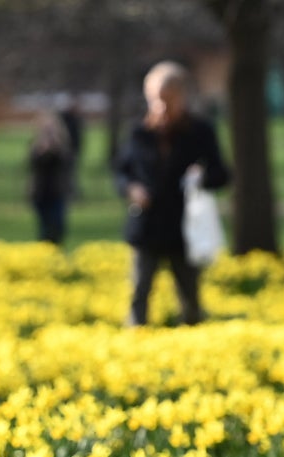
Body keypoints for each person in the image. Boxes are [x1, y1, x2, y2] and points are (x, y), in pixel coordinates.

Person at [114, 61, 231, 326]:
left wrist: (200, 177)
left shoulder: (200, 132)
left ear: (182, 97)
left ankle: (192, 345)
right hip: (147, 225)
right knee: (139, 292)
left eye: (169, 100)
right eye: (157, 100)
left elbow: (222, 174)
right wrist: (132, 189)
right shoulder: (139, 133)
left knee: (190, 298)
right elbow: (122, 173)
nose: (162, 108)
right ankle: (135, 341)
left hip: (184, 228)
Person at [26, 112, 73, 245]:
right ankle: (44, 254)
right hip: (41, 192)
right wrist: (42, 150)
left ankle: (56, 251)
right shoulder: (36, 146)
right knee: (44, 227)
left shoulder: (62, 145)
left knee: (58, 225)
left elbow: (66, 163)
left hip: (58, 191)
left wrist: (55, 148)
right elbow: (34, 164)